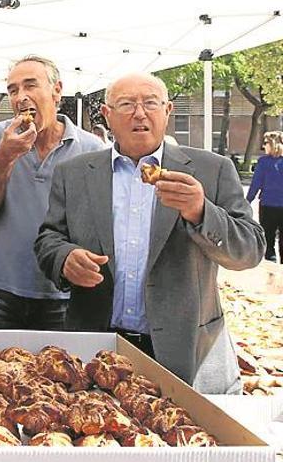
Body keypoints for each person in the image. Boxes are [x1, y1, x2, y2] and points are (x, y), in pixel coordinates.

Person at [35, 72, 265, 394]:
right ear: (107, 115)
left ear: (167, 111)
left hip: (182, 349)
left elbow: (250, 250)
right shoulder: (74, 174)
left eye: (150, 104)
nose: (140, 113)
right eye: (127, 104)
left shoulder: (211, 170)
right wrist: (63, 259)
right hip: (96, 346)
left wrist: (201, 212)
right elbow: (48, 238)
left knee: (177, 437)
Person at [0, 55, 104, 331]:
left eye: (30, 86)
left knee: (56, 370)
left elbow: (97, 228)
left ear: (57, 90)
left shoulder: (92, 149)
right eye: (13, 90)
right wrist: (5, 156)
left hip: (62, 294)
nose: (20, 97)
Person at [247, 131, 283, 262]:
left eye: (265, 143)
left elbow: (256, 184)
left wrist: (247, 201)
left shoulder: (263, 162)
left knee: (268, 240)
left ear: (272, 144)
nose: (263, 146)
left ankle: (272, 271)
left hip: (268, 206)